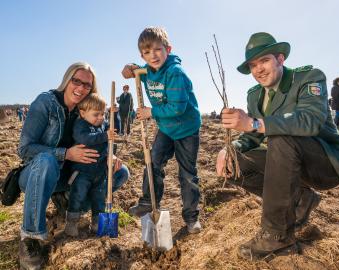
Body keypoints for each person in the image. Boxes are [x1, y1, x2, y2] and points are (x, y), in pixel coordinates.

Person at [216, 32, 339, 261]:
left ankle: (277, 238)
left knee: (281, 137)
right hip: (290, 161)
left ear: (280, 59)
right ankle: (301, 198)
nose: (259, 69)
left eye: (264, 61)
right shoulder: (255, 96)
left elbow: (309, 120)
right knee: (235, 162)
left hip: (328, 162)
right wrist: (229, 149)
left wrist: (253, 122)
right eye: (253, 65)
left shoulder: (309, 78)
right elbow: (251, 138)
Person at [17, 62, 129, 270]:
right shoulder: (46, 103)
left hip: (73, 175)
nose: (80, 87)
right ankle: (30, 238)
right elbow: (25, 149)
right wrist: (66, 153)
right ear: (67, 80)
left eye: (87, 85)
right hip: (37, 174)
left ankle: (69, 205)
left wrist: (111, 157)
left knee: (121, 172)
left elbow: (106, 137)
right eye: (76, 81)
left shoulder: (88, 110)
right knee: (47, 160)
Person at [121, 27, 202, 234]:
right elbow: (138, 69)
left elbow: (177, 108)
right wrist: (131, 68)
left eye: (158, 50)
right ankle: (148, 201)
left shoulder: (175, 73)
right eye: (147, 53)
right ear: (142, 55)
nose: (153, 56)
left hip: (186, 129)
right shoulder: (148, 70)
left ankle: (191, 217)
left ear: (168, 49)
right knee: (152, 163)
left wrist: (150, 112)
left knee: (187, 174)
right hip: (166, 128)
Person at [64, 93, 118, 236]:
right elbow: (86, 139)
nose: (101, 117)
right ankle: (71, 223)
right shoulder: (80, 125)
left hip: (100, 171)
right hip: (82, 172)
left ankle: (97, 224)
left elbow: (113, 128)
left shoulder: (102, 124)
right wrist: (105, 136)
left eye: (103, 114)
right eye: (96, 114)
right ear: (83, 113)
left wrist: (114, 115)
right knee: (78, 196)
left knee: (99, 198)